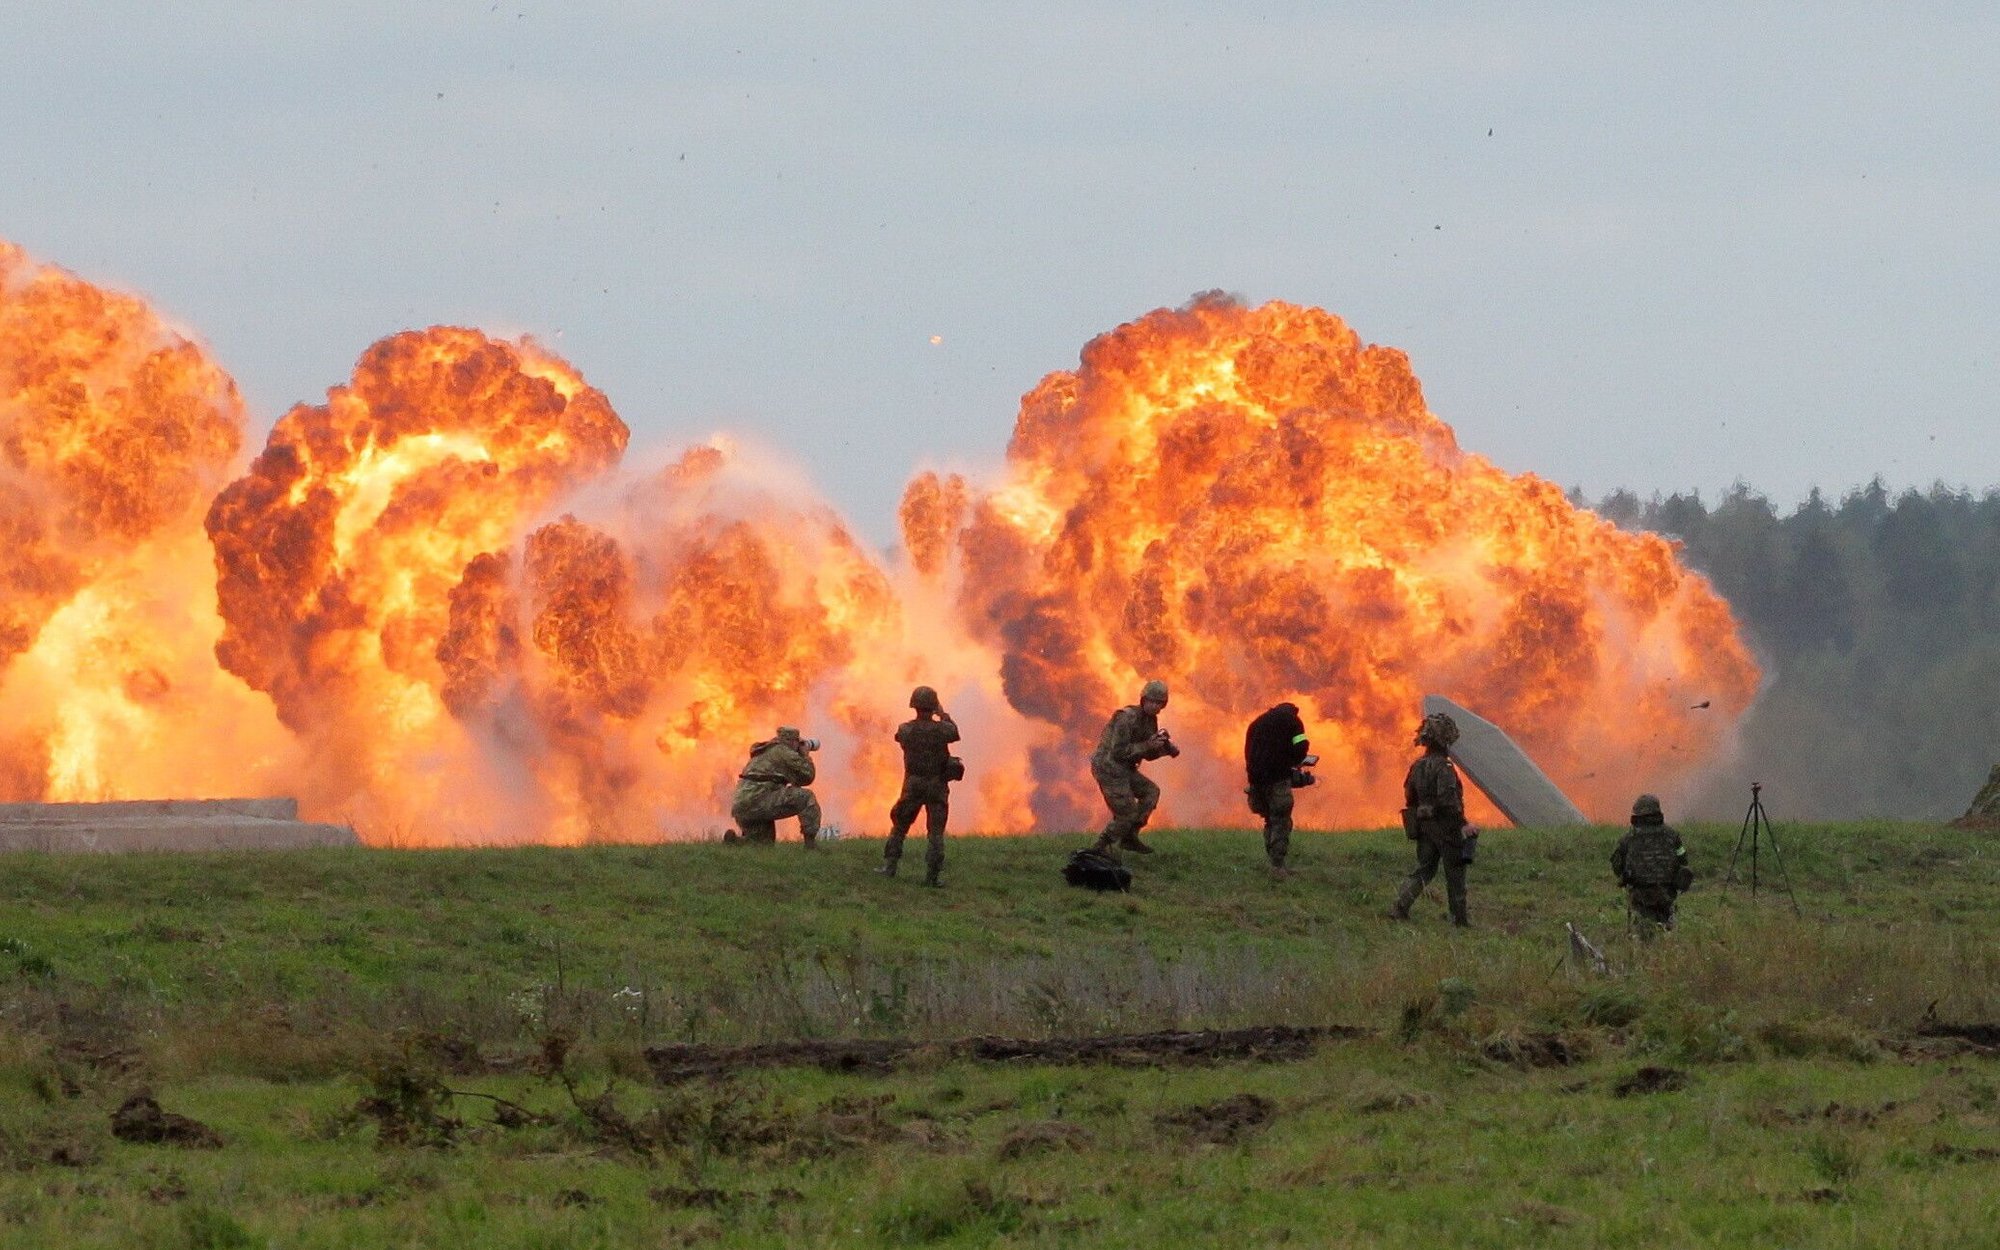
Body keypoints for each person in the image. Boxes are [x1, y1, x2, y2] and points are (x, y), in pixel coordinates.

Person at [1389, 711, 1471, 926]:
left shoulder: (1417, 766)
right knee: (1455, 873)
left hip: (1424, 827)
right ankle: (1459, 920)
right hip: (1446, 827)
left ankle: (1399, 908)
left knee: (1424, 869)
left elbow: (1409, 796)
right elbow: (1448, 800)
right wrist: (1463, 825)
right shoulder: (1444, 768)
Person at [1089, 679, 1180, 857]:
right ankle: (1099, 847)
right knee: (1127, 812)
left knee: (1151, 792)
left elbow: (1147, 754)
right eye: (1152, 701)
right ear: (1143, 699)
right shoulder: (1126, 717)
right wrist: (1148, 744)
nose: (1155, 706)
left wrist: (1164, 749)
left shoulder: (1150, 720)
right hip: (1109, 768)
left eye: (1159, 703)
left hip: (1125, 767)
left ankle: (1129, 837)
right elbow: (1118, 752)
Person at [880, 686, 959, 886]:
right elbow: (954, 732)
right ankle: (932, 877)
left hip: (913, 784)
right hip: (937, 785)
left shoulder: (906, 729)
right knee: (935, 832)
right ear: (933, 706)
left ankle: (890, 867)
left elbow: (900, 738)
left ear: (914, 705)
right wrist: (942, 714)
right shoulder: (943, 730)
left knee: (900, 826)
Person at [1243, 701, 1311, 878]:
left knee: (1269, 820)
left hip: (1256, 781)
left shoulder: (1256, 723)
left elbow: (1248, 752)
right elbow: (1301, 747)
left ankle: (1272, 863)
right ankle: (1277, 866)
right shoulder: (1293, 722)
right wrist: (1295, 763)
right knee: (1281, 821)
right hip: (1277, 779)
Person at [1611, 793, 1693, 936]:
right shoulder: (1672, 835)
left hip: (1639, 896)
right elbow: (1683, 859)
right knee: (1666, 931)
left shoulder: (1627, 839)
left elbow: (1617, 865)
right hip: (1666, 894)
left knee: (1642, 933)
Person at [729, 726, 821, 847]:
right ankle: (811, 845)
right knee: (806, 797)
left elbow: (796, 780)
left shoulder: (764, 752)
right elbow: (808, 776)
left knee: (763, 843)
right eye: (798, 742)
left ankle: (734, 842)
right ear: (793, 741)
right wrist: (805, 755)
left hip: (741, 804)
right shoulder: (783, 752)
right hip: (759, 799)